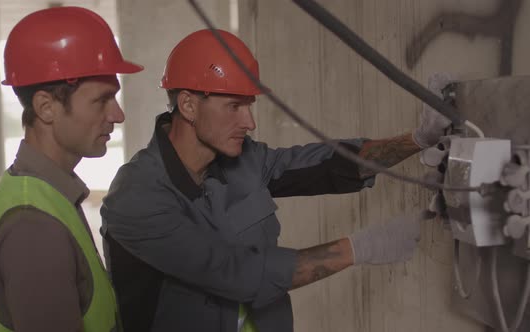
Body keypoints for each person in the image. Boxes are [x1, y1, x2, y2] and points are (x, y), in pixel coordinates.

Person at [101, 29, 448, 332]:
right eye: (234, 107)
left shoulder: (244, 160)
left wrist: (417, 139)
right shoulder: (136, 197)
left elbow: (326, 164)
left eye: (249, 106)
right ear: (189, 106)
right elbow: (236, 273)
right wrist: (363, 248)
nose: (249, 122)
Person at [0, 6, 143, 332]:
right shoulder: (33, 226)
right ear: (46, 108)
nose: (117, 115)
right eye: (102, 100)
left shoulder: (41, 195)